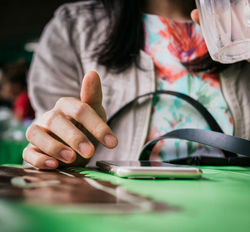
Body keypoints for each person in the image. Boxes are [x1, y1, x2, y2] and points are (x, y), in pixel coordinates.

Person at [23, 0, 250, 169]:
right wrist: (63, 153)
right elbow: (48, 146)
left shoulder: (242, 21)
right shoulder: (73, 28)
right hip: (117, 217)